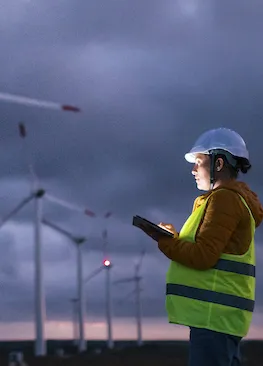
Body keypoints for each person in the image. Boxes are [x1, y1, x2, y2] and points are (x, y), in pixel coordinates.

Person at [150, 128, 263, 366]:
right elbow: (212, 250)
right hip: (220, 319)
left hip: (214, 318)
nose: (193, 170)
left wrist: (165, 241)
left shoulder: (225, 199)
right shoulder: (229, 199)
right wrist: (175, 238)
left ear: (218, 163)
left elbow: (203, 256)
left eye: (199, 162)